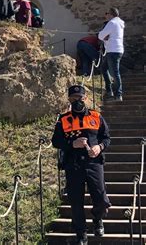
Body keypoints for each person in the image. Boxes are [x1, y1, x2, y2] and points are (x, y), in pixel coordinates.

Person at [52, 85, 111, 245]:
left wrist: (99, 147)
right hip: (73, 164)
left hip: (94, 163)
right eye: (73, 98)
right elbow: (56, 141)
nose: (77, 101)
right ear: (69, 100)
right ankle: (81, 233)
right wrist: (72, 143)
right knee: (76, 201)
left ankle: (97, 219)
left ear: (85, 98)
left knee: (100, 197)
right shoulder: (63, 120)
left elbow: (106, 138)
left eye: (79, 98)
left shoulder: (96, 116)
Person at [98, 8, 125, 101]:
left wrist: (104, 37)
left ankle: (118, 94)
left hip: (113, 50)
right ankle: (109, 91)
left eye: (107, 13)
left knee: (115, 73)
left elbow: (100, 35)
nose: (106, 15)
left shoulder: (112, 23)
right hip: (116, 50)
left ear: (111, 14)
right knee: (104, 69)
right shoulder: (120, 23)